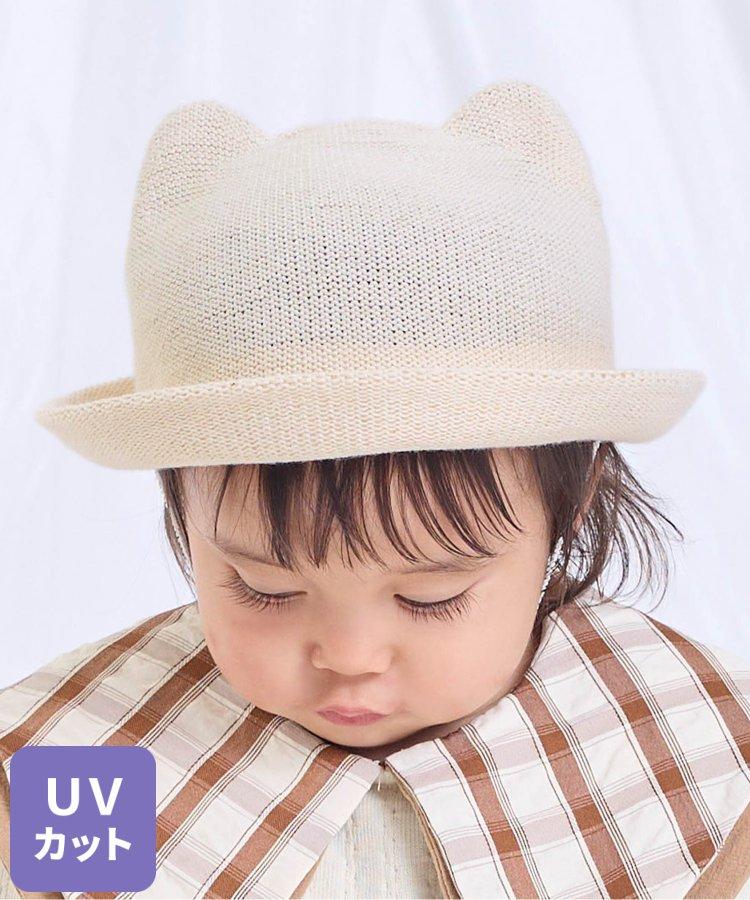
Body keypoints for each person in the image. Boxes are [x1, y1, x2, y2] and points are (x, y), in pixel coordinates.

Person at [1, 79, 749, 899]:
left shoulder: (701, 748)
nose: (349, 657)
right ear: (181, 502)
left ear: (569, 508)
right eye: (264, 587)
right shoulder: (89, 755)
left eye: (431, 595)